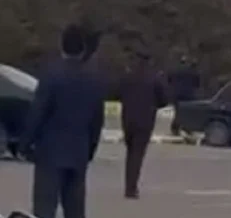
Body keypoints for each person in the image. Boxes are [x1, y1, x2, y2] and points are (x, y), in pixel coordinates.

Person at [20, 24, 106, 218]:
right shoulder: (94, 79)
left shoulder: (51, 75)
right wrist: (90, 149)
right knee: (75, 209)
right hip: (78, 153)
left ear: (62, 46)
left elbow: (38, 113)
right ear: (83, 49)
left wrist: (25, 144)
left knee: (44, 208)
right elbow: (97, 121)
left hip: (50, 152)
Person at [119, 48, 168, 199]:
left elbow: (117, 92)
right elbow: (164, 99)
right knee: (137, 154)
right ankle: (131, 188)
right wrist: (154, 105)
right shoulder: (154, 78)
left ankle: (129, 184)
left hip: (128, 118)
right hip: (145, 119)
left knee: (130, 152)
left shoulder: (128, 76)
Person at [167, 56, 200, 136]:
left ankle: (175, 128)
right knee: (188, 112)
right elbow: (197, 83)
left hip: (176, 94)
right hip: (188, 95)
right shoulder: (192, 71)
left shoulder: (174, 70)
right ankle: (187, 128)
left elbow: (169, 80)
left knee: (178, 112)